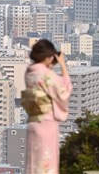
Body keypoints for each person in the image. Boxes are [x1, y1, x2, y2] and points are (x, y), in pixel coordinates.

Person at [21, 39, 73, 174]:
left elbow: (46, 79)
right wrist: (62, 65)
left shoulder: (30, 72)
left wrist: (50, 65)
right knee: (46, 161)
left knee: (33, 161)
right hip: (46, 122)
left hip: (33, 122)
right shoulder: (46, 75)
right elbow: (64, 91)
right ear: (48, 56)